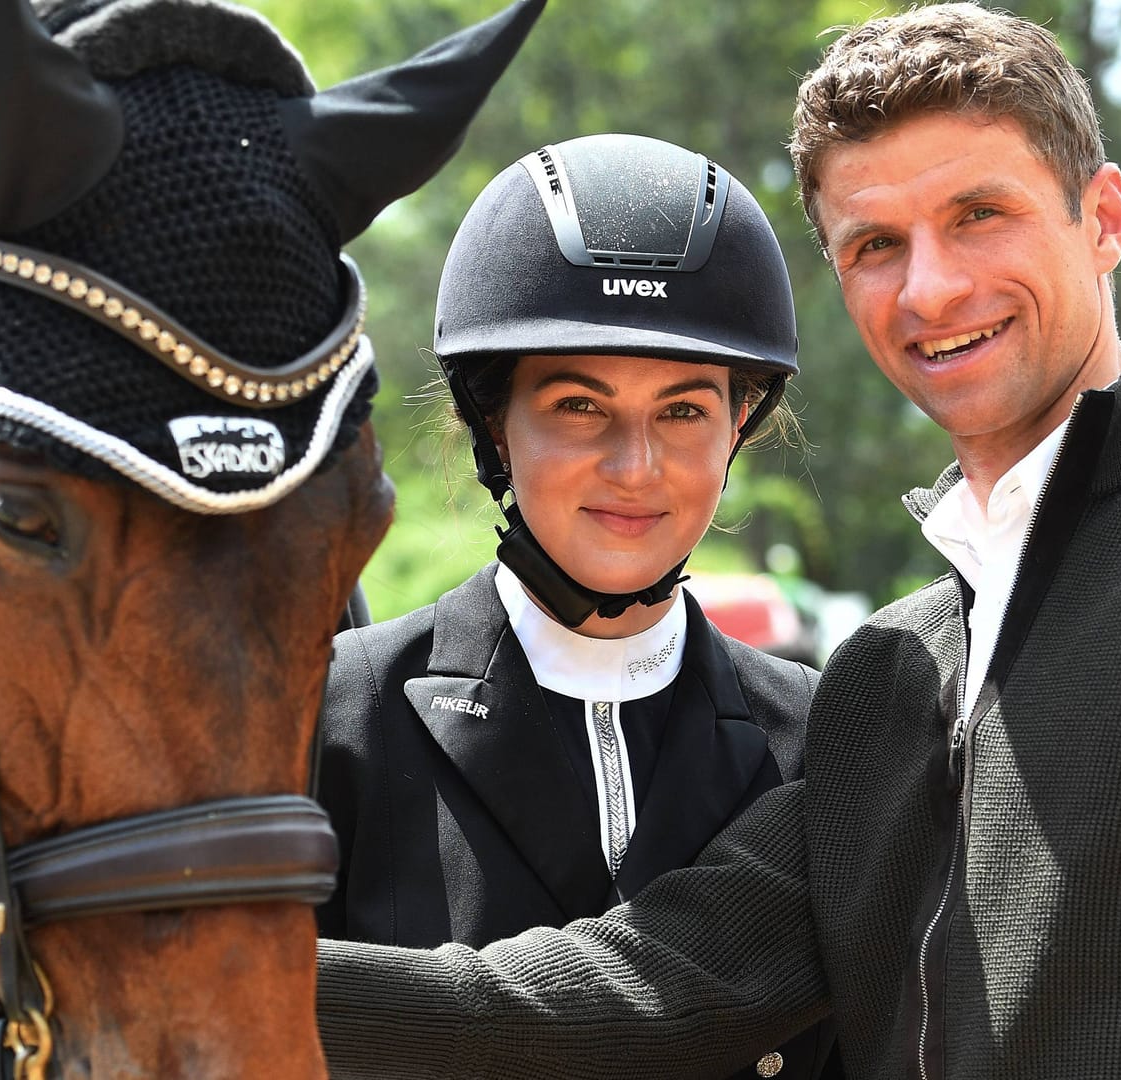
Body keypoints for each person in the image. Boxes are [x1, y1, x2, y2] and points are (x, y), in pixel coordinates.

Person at [309, 6, 1121, 1078]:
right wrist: (196, 972)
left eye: (979, 215)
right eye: (873, 245)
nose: (931, 288)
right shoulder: (891, 674)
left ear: (1104, 217)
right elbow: (649, 979)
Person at [317, 131, 837, 1080]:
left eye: (684, 411)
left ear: (737, 429)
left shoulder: (818, 737)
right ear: (494, 426)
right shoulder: (343, 716)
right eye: (579, 406)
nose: (636, 468)